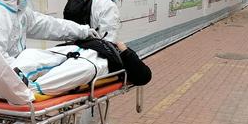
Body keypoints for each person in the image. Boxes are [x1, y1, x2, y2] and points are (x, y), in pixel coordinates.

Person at [77, 0, 123, 124]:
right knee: (97, 98)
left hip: (76, 56)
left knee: (80, 99)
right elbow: (109, 40)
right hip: (96, 59)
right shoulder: (107, 5)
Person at [12, 40, 152, 96]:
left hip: (100, 60)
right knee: (33, 53)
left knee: (82, 69)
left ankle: (30, 88)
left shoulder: (129, 58)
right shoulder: (127, 55)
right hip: (82, 47)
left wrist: (124, 50)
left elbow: (145, 76)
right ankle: (12, 73)